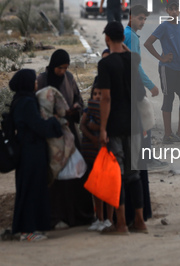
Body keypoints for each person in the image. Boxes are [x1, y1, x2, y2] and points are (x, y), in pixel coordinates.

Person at [98, 21, 147, 235]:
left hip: (116, 125)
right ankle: (139, 221)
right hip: (134, 124)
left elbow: (106, 98)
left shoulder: (106, 65)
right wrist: (127, 54)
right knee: (133, 174)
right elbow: (140, 93)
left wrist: (102, 129)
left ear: (107, 38)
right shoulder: (132, 60)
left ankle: (120, 224)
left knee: (117, 175)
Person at [37, 50, 92, 229]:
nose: (62, 71)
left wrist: (75, 109)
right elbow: (40, 105)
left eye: (66, 68)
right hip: (52, 136)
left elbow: (78, 99)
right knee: (56, 177)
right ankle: (55, 217)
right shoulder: (43, 80)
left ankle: (77, 216)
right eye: (60, 68)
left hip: (70, 133)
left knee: (75, 175)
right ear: (53, 66)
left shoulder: (69, 78)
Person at [9, 69, 63, 242]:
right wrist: (54, 121)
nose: (36, 83)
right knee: (32, 189)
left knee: (29, 188)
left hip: (28, 149)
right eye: (33, 80)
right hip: (31, 151)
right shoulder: (26, 102)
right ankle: (28, 231)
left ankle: (27, 228)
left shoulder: (20, 100)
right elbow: (38, 126)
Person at [144, 0, 180, 144]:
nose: (174, 12)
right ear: (167, 11)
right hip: (167, 68)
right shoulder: (164, 27)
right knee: (169, 99)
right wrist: (161, 57)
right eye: (171, 9)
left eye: (176, 9)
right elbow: (148, 43)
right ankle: (168, 134)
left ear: (179, 10)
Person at [125, 5, 168, 173]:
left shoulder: (127, 34)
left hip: (127, 85)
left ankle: (142, 157)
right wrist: (151, 85)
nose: (142, 22)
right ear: (131, 17)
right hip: (133, 86)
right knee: (146, 121)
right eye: (140, 18)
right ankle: (146, 159)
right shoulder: (132, 37)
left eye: (144, 19)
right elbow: (136, 66)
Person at [79, 84, 114, 232]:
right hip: (91, 154)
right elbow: (82, 125)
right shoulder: (89, 111)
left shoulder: (109, 112)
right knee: (96, 189)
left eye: (100, 94)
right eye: (95, 94)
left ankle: (109, 219)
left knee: (107, 188)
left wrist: (98, 129)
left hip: (105, 155)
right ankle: (99, 218)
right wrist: (93, 138)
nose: (98, 97)